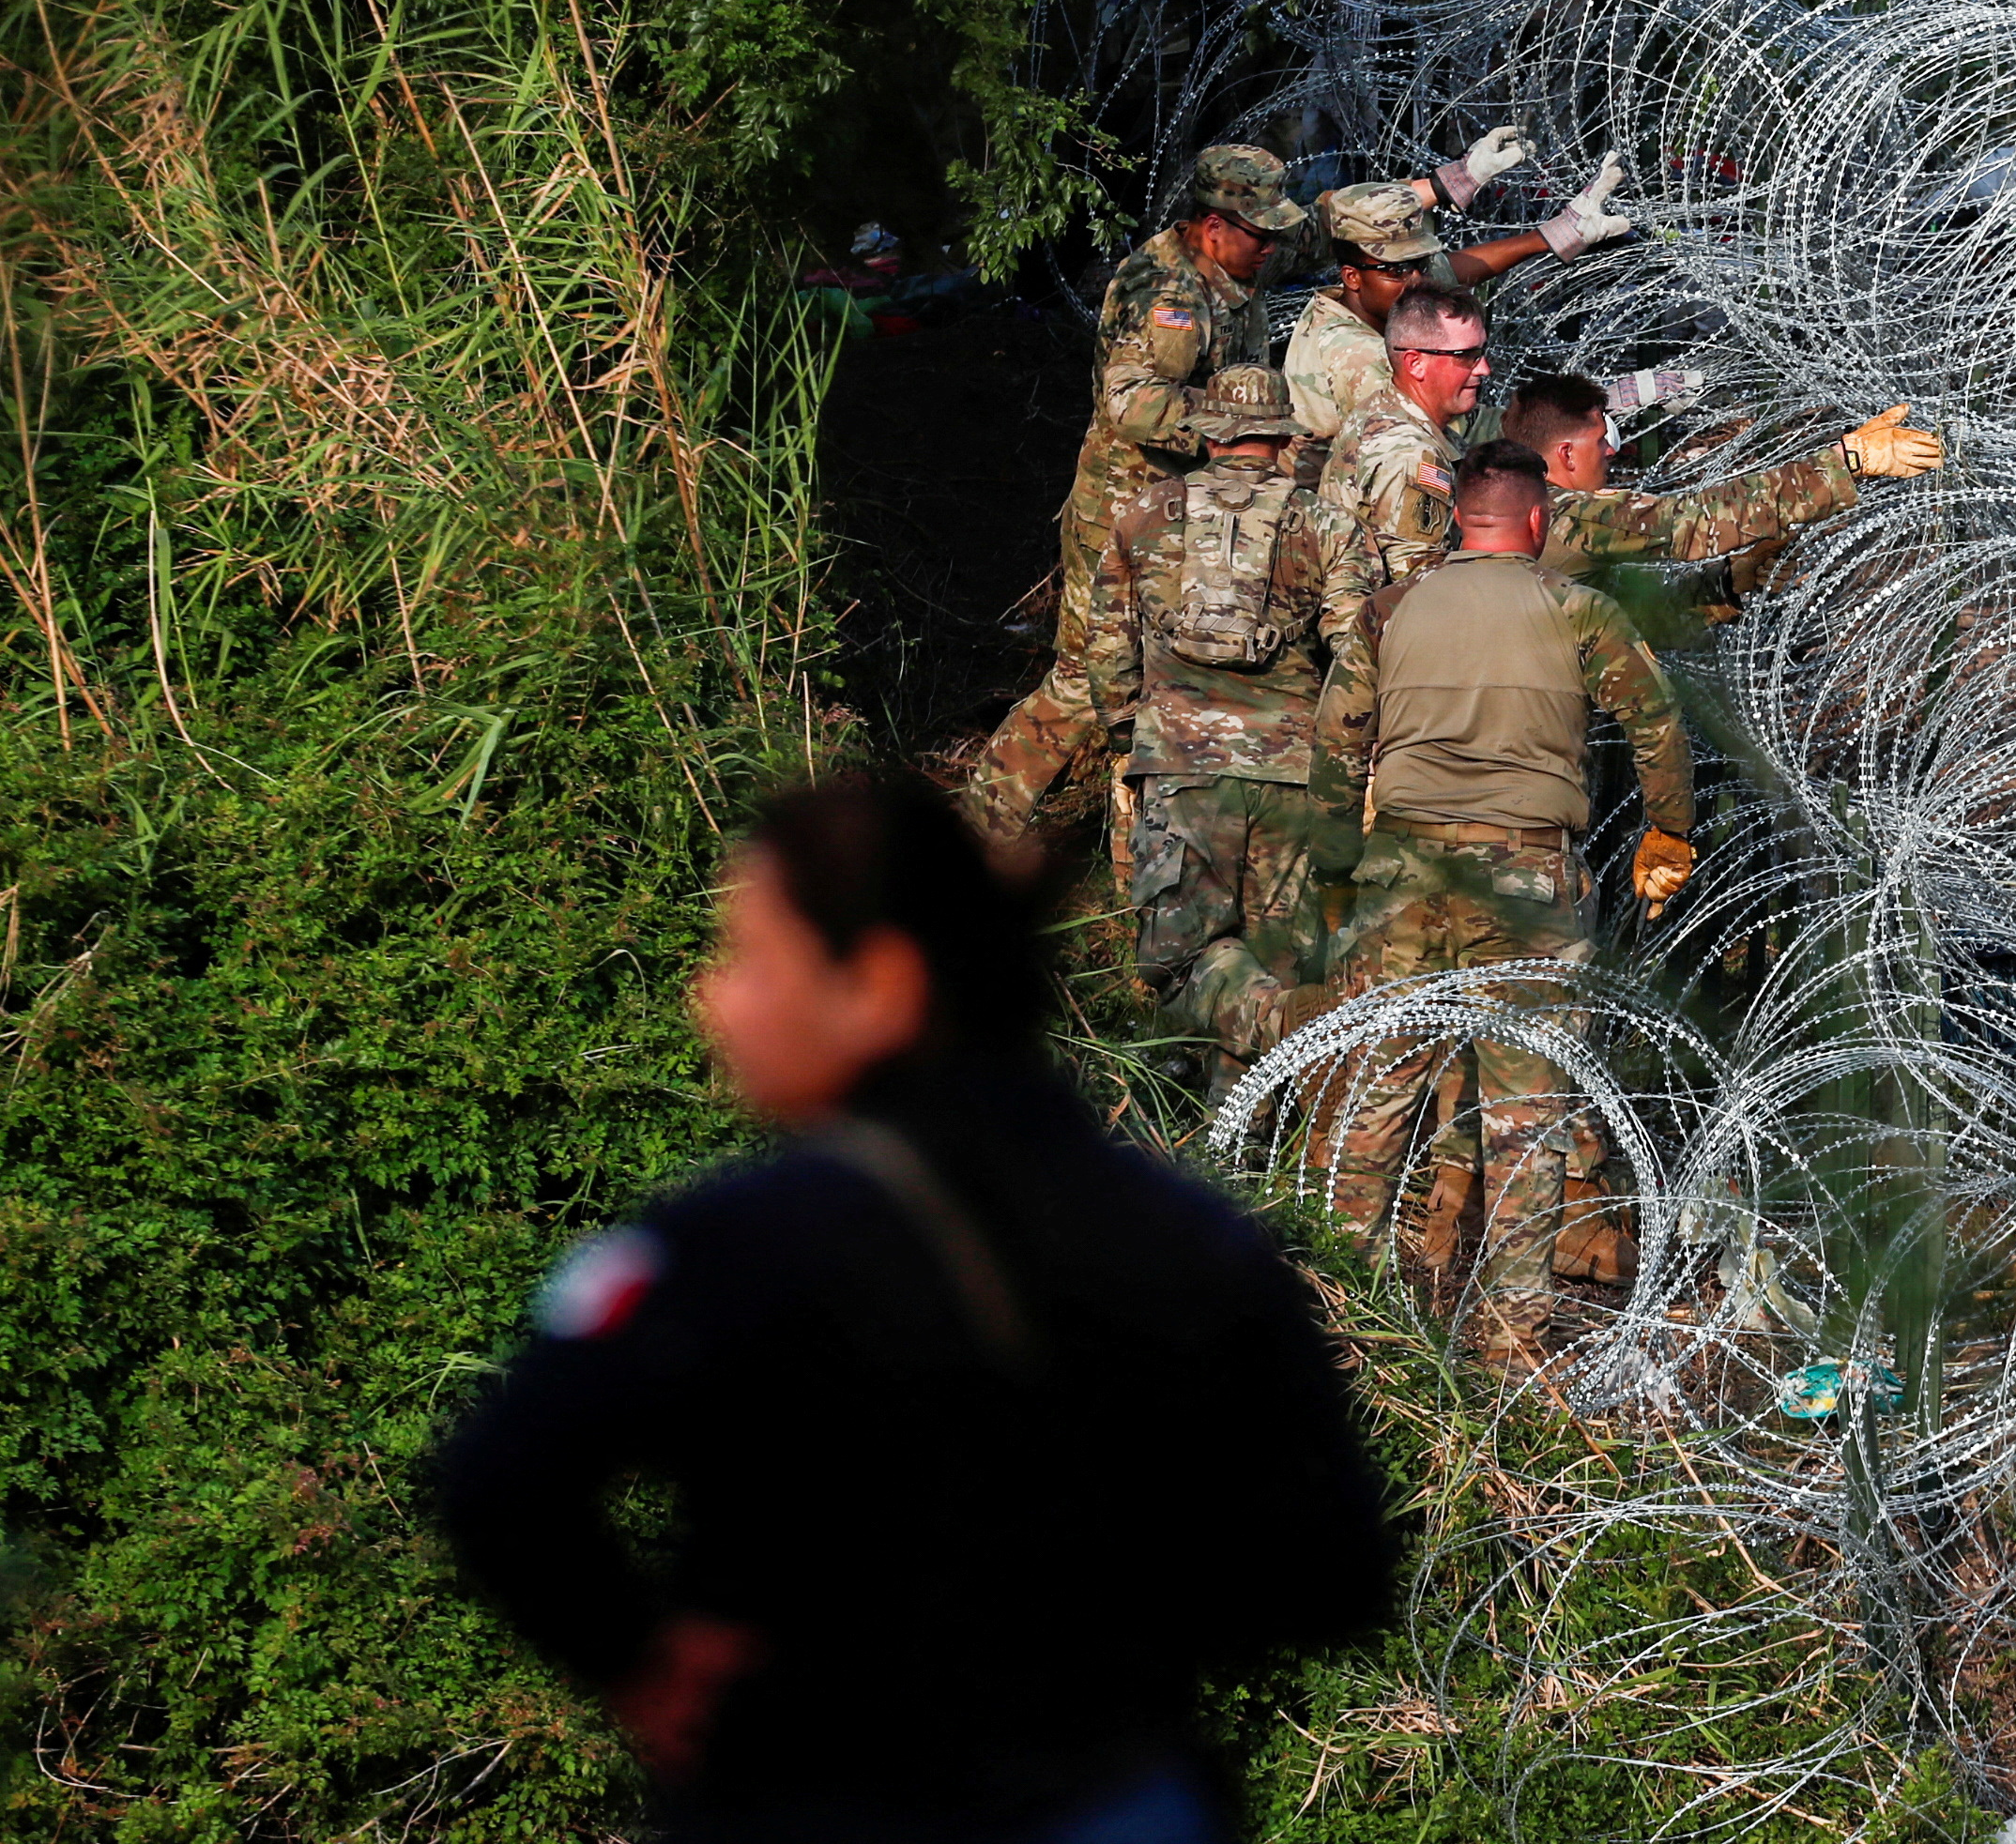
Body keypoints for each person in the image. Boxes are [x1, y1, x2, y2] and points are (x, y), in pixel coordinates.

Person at [435, 771, 1397, 1842]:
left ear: (878, 988)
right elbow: (1335, 1570)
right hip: (1112, 1795)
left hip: (823, 1796)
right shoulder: (1192, 1238)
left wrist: (636, 1657)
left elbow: (500, 1478)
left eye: (753, 960)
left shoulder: (747, 1242)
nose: (715, 997)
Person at [966, 136, 1520, 850]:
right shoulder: (1167, 297)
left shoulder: (1243, 250)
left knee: (1179, 673)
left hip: (1212, 507)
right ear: (1213, 225)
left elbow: (1325, 227)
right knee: (1088, 677)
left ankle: (1149, 832)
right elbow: (1132, 405)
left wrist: (1448, 183)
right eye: (1259, 235)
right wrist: (1243, 428)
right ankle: (980, 829)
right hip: (1133, 507)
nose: (1273, 250)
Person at [1310, 440, 1700, 1360]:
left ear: (1458, 520)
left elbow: (1336, 746)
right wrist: (1669, 832)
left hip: (1401, 876)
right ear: (1538, 522)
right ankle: (1509, 1343)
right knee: (1525, 1117)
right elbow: (1659, 726)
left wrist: (1335, 875)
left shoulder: (1389, 610)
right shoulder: (1577, 610)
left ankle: (1341, 1313)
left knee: (1379, 1097)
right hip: (1527, 881)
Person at [1075, 367, 1370, 1094]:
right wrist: (1349, 760)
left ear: (1209, 431)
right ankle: (1244, 1122)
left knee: (1180, 953)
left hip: (1181, 767)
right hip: (1295, 772)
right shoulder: (1329, 525)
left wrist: (1127, 734)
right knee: (1276, 955)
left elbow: (1107, 645)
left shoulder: (1143, 513)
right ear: (1282, 435)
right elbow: (1356, 652)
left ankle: (1174, 1096)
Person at [1497, 370, 1947, 584]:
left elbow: (1626, 623)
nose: (1612, 450)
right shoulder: (1567, 516)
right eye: (1600, 440)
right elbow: (1692, 522)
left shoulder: (1523, 508)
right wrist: (1845, 461)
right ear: (1566, 455)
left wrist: (1725, 584)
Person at [1280, 163, 1632, 436]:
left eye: (1419, 264)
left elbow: (1452, 269)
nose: (1416, 279)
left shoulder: (1380, 297)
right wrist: (1591, 408)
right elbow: (1465, 433)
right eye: (1398, 270)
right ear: (1351, 276)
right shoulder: (1357, 356)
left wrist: (1553, 234)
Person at [1315, 282, 1504, 585]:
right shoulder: (1412, 455)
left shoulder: (1384, 409)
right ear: (1415, 363)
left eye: (1481, 352)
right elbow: (1419, 583)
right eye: (1466, 356)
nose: (1483, 369)